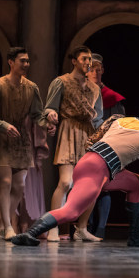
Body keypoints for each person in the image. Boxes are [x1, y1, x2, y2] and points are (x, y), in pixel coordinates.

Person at [11, 97, 139, 247]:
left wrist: (114, 162)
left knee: (137, 183)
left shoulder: (118, 120)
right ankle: (30, 233)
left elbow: (92, 141)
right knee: (71, 211)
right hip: (96, 170)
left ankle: (135, 237)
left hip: (91, 164)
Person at [0, 47, 53, 241]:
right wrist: (2, 125)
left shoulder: (31, 87)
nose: (26, 65)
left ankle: (2, 226)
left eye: (28, 61)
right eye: (22, 61)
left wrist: (47, 125)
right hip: (2, 139)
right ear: (11, 62)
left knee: (19, 186)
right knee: (5, 182)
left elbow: (38, 114)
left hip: (22, 140)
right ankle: (6, 226)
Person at [43, 46, 102, 242]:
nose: (88, 62)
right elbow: (50, 107)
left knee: (92, 186)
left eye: (90, 59)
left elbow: (99, 117)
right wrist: (50, 115)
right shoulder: (61, 82)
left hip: (89, 135)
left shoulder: (95, 88)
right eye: (84, 58)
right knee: (66, 182)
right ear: (74, 61)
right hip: (69, 131)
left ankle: (82, 228)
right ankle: (52, 227)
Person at [86, 53, 126, 238]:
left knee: (103, 188)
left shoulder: (112, 98)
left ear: (103, 71)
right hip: (82, 144)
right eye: (91, 68)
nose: (94, 72)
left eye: (98, 69)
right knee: (84, 188)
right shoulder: (80, 93)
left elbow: (119, 126)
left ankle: (100, 228)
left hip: (104, 148)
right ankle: (85, 227)